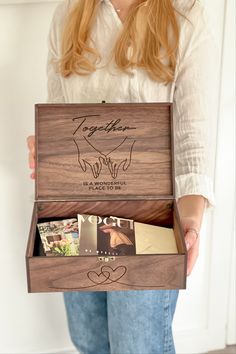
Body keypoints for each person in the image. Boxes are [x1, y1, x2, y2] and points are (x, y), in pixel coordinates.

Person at [27, 0, 216, 353]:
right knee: (89, 339)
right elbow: (60, 115)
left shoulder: (184, 14)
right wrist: (50, 148)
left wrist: (190, 221)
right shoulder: (68, 13)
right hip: (75, 217)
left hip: (152, 225)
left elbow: (193, 139)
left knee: (137, 345)